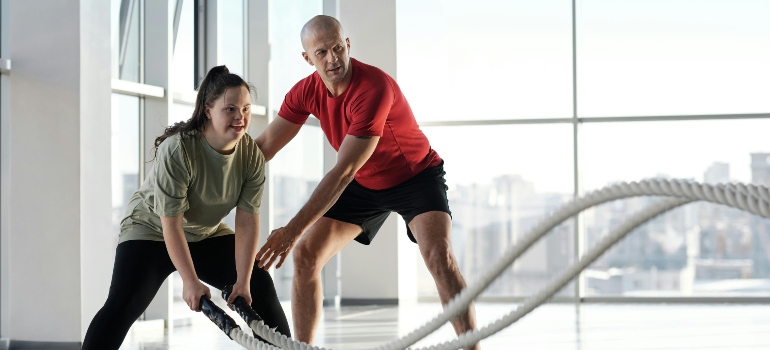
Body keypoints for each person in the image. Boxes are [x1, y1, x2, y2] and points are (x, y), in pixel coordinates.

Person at [254, 15, 480, 349]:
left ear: (347, 44)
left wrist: (291, 230)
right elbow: (262, 149)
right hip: (364, 182)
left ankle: (472, 346)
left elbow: (342, 172)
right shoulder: (305, 92)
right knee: (306, 257)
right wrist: (210, 171)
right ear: (307, 58)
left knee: (439, 256)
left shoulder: (373, 87)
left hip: (415, 177)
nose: (333, 58)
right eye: (322, 52)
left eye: (337, 47)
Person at [82, 66, 290, 349]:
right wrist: (190, 281)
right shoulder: (179, 149)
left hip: (205, 233)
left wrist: (242, 281)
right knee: (124, 304)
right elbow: (171, 223)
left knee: (260, 286)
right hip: (151, 230)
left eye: (245, 108)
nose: (240, 117)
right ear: (208, 110)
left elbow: (247, 221)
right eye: (230, 109)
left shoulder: (250, 154)